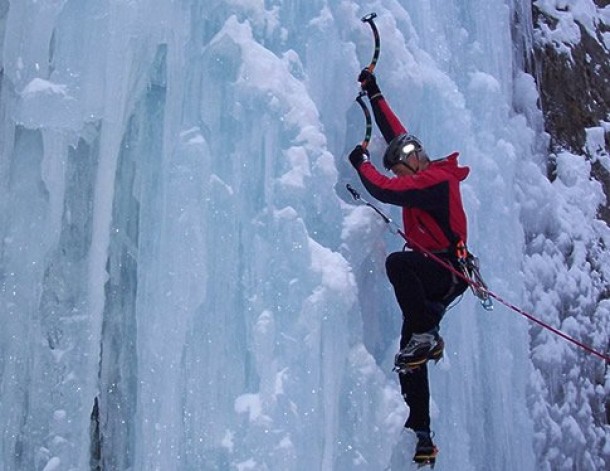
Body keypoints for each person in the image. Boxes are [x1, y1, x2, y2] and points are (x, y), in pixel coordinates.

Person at [348, 69, 470, 464]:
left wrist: (362, 164)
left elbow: (382, 187)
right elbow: (396, 136)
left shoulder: (434, 179)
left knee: (399, 264)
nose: (399, 170)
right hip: (439, 276)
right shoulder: (419, 169)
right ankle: (421, 436)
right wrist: (375, 93)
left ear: (418, 158)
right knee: (409, 360)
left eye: (403, 164)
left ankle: (426, 331)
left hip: (446, 270)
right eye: (396, 166)